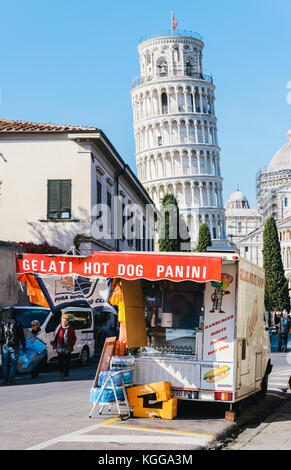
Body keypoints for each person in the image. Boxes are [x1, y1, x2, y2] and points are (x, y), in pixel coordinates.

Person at [0, 307, 26, 385]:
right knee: (14, 363)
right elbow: (21, 336)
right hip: (15, 346)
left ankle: (5, 379)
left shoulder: (3, 323)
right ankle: (11, 379)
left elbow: (1, 335)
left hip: (5, 345)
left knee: (5, 363)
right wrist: (24, 346)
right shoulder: (18, 323)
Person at [51, 314, 76, 380]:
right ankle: (61, 373)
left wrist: (71, 345)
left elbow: (74, 338)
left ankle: (66, 375)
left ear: (67, 321)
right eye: (62, 321)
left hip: (68, 347)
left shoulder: (71, 328)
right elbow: (54, 338)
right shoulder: (58, 328)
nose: (63, 323)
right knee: (61, 362)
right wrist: (54, 348)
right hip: (60, 347)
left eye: (65, 321)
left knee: (67, 362)